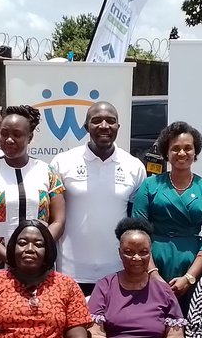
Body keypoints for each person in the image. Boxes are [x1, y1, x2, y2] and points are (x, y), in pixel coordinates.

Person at [0, 105, 65, 292]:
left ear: (30, 137)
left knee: (38, 316)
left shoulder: (48, 173)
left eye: (17, 135)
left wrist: (36, 253)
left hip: (38, 265)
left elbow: (59, 221)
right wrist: (11, 257)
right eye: (4, 134)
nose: (9, 140)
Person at [52, 101, 146, 296]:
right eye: (96, 121)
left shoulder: (134, 166)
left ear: (118, 127)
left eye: (111, 121)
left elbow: (135, 219)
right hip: (70, 270)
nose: (104, 126)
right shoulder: (62, 163)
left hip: (117, 270)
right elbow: (52, 216)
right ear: (86, 127)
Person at [131, 121, 202, 310]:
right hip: (152, 262)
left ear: (195, 152)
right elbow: (137, 233)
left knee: (191, 323)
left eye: (188, 148)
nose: (182, 153)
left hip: (194, 265)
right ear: (166, 152)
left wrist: (189, 278)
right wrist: (153, 274)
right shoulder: (149, 186)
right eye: (175, 148)